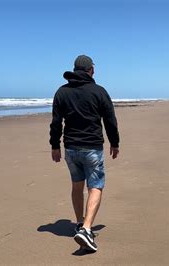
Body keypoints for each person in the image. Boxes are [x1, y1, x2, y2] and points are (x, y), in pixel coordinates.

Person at [49, 55, 120, 252]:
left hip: (71, 149)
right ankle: (87, 229)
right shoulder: (99, 91)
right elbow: (110, 120)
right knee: (95, 186)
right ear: (91, 70)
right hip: (92, 148)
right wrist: (115, 143)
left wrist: (55, 145)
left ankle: (80, 223)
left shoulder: (62, 92)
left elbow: (56, 123)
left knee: (77, 186)